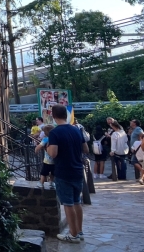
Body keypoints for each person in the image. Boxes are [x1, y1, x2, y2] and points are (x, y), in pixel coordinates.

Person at [47, 104, 88, 243]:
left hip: (63, 171)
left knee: (68, 203)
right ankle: (79, 231)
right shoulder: (77, 130)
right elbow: (86, 149)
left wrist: (47, 148)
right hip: (78, 170)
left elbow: (53, 153)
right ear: (66, 115)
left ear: (54, 116)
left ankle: (72, 234)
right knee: (77, 201)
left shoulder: (55, 133)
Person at [36, 124, 56, 189]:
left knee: (43, 172)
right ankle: (51, 182)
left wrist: (36, 150)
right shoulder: (55, 139)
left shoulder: (45, 139)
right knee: (53, 172)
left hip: (47, 160)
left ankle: (41, 183)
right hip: (55, 160)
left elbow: (39, 146)